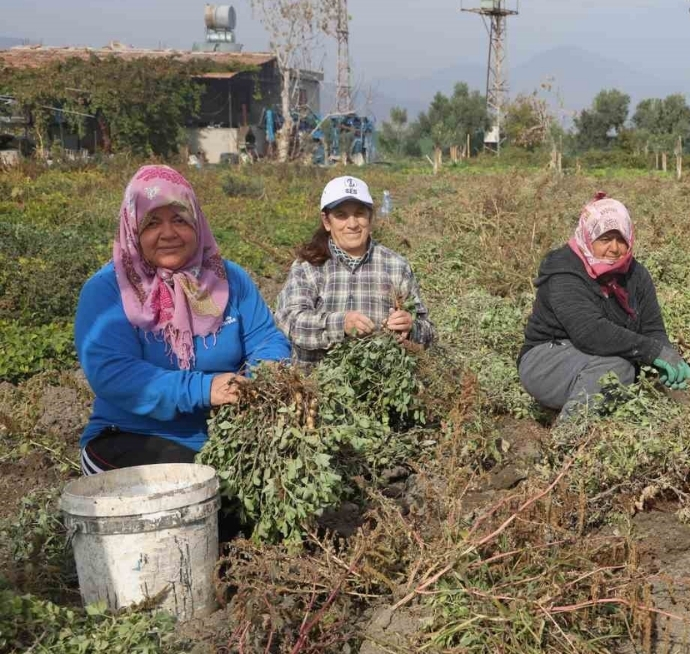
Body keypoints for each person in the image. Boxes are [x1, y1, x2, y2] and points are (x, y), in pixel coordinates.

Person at [76, 165, 292, 475]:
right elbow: (113, 373)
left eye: (179, 219)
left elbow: (267, 340)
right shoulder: (109, 290)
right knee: (202, 490)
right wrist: (205, 389)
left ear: (197, 223)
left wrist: (266, 375)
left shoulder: (228, 279)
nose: (168, 233)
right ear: (133, 228)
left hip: (224, 435)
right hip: (133, 436)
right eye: (152, 223)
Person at [518, 192, 690, 418]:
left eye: (621, 239)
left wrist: (668, 357)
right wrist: (651, 351)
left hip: (598, 355)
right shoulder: (564, 271)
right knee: (617, 368)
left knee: (632, 370)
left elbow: (652, 329)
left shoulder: (636, 274)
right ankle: (569, 438)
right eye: (604, 239)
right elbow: (589, 332)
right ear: (588, 238)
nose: (614, 248)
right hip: (546, 359)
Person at [275, 176, 434, 363]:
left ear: (370, 217)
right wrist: (340, 324)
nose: (352, 224)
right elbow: (289, 322)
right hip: (316, 383)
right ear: (327, 221)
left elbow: (428, 330)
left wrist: (410, 327)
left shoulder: (396, 266)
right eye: (341, 215)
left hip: (382, 383)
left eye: (359, 213)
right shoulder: (308, 267)